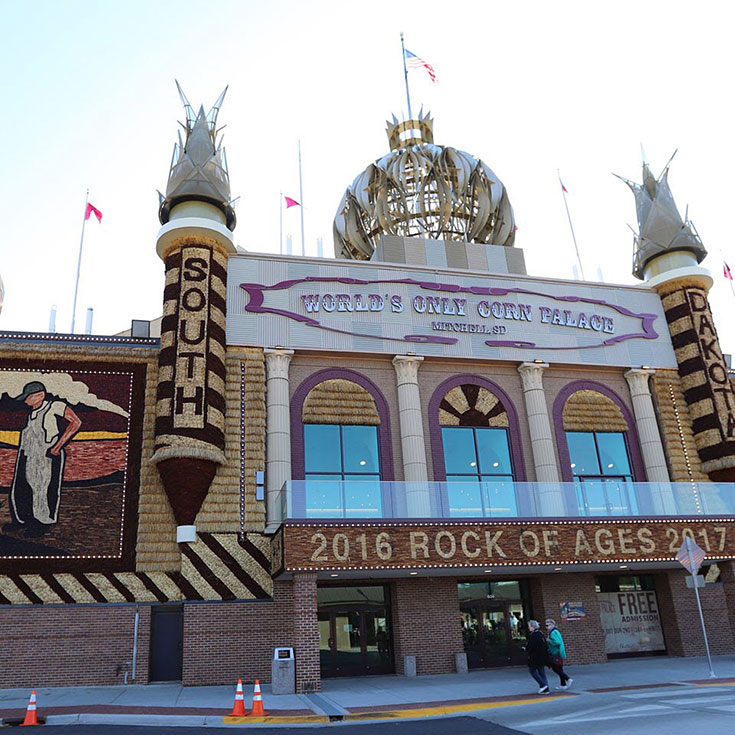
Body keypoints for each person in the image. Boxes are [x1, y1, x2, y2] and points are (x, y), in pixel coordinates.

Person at [6, 381, 81, 537]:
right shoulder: (32, 413)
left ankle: (42, 523)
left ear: (40, 395)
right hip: (27, 455)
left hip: (46, 455)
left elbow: (76, 422)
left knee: (42, 488)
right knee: (21, 488)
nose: (25, 401)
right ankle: (22, 520)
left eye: (28, 397)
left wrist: (57, 447)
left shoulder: (54, 406)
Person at [546, 618, 573, 690]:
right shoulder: (555, 632)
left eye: (548, 625)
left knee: (556, 668)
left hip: (556, 653)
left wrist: (549, 641)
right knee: (559, 668)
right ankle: (563, 684)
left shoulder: (553, 633)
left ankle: (567, 678)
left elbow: (557, 642)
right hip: (559, 652)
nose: (546, 627)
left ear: (552, 625)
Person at [526, 620, 550, 694]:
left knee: (532, 670)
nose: (528, 628)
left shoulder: (534, 635)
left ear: (533, 627)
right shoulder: (540, 634)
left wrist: (525, 648)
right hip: (542, 656)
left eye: (529, 626)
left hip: (535, 657)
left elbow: (530, 646)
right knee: (541, 672)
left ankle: (543, 685)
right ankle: (546, 689)